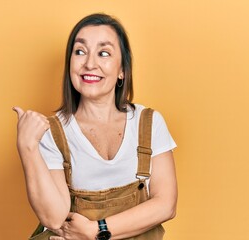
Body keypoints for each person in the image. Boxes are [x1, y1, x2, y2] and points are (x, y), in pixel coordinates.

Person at [13, 13, 177, 240]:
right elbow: (53, 218)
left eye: (104, 53)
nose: (90, 64)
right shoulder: (52, 132)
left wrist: (97, 230)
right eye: (80, 51)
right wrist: (27, 148)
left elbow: (165, 205)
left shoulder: (149, 123)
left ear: (122, 71)